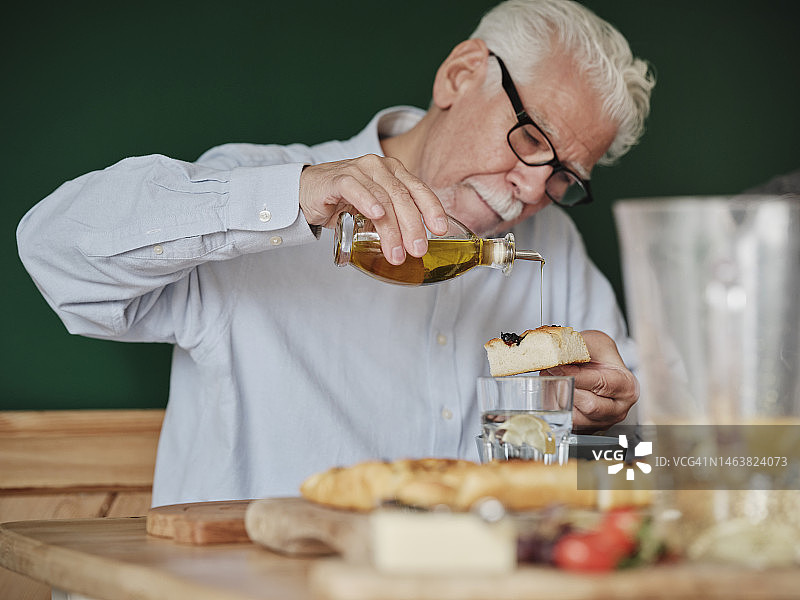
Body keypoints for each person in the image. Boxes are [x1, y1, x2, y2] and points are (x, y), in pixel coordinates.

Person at [17, 0, 655, 506]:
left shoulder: (554, 249)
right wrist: (291, 199)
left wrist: (606, 431)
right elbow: (53, 251)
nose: (535, 189)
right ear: (460, 75)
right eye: (532, 140)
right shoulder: (260, 187)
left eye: (564, 176)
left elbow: (655, 473)